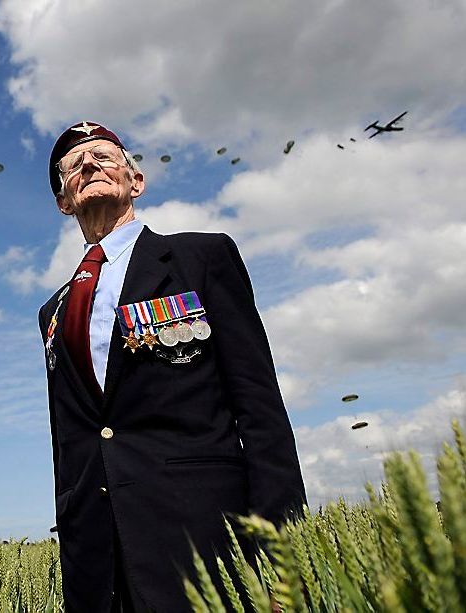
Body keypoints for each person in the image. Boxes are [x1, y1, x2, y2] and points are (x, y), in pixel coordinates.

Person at [38, 121, 307, 612]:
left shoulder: (200, 257)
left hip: (205, 545)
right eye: (73, 165)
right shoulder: (52, 313)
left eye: (103, 154)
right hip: (98, 566)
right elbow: (70, 443)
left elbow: (260, 408)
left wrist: (279, 555)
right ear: (64, 201)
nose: (89, 164)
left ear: (135, 181)